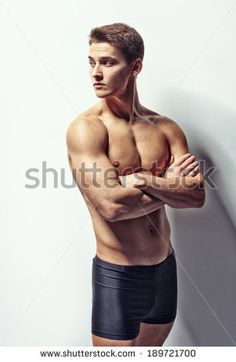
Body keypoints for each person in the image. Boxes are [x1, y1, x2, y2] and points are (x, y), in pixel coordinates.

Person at [66, 23, 205, 346]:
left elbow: (197, 197)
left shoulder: (167, 129)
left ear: (135, 67)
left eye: (108, 62)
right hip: (118, 277)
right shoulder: (87, 130)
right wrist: (171, 186)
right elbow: (112, 206)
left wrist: (143, 179)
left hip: (164, 271)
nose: (95, 73)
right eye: (91, 62)